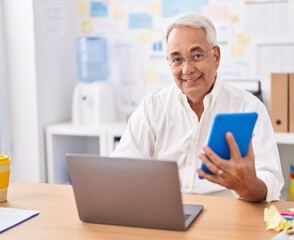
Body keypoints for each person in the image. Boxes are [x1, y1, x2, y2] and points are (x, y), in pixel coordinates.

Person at [112, 13, 284, 202]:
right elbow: (120, 169)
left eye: (197, 56)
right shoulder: (151, 107)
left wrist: (247, 185)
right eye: (177, 59)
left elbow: (272, 182)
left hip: (225, 218)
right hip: (165, 213)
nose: (187, 69)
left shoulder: (249, 108)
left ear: (216, 56)